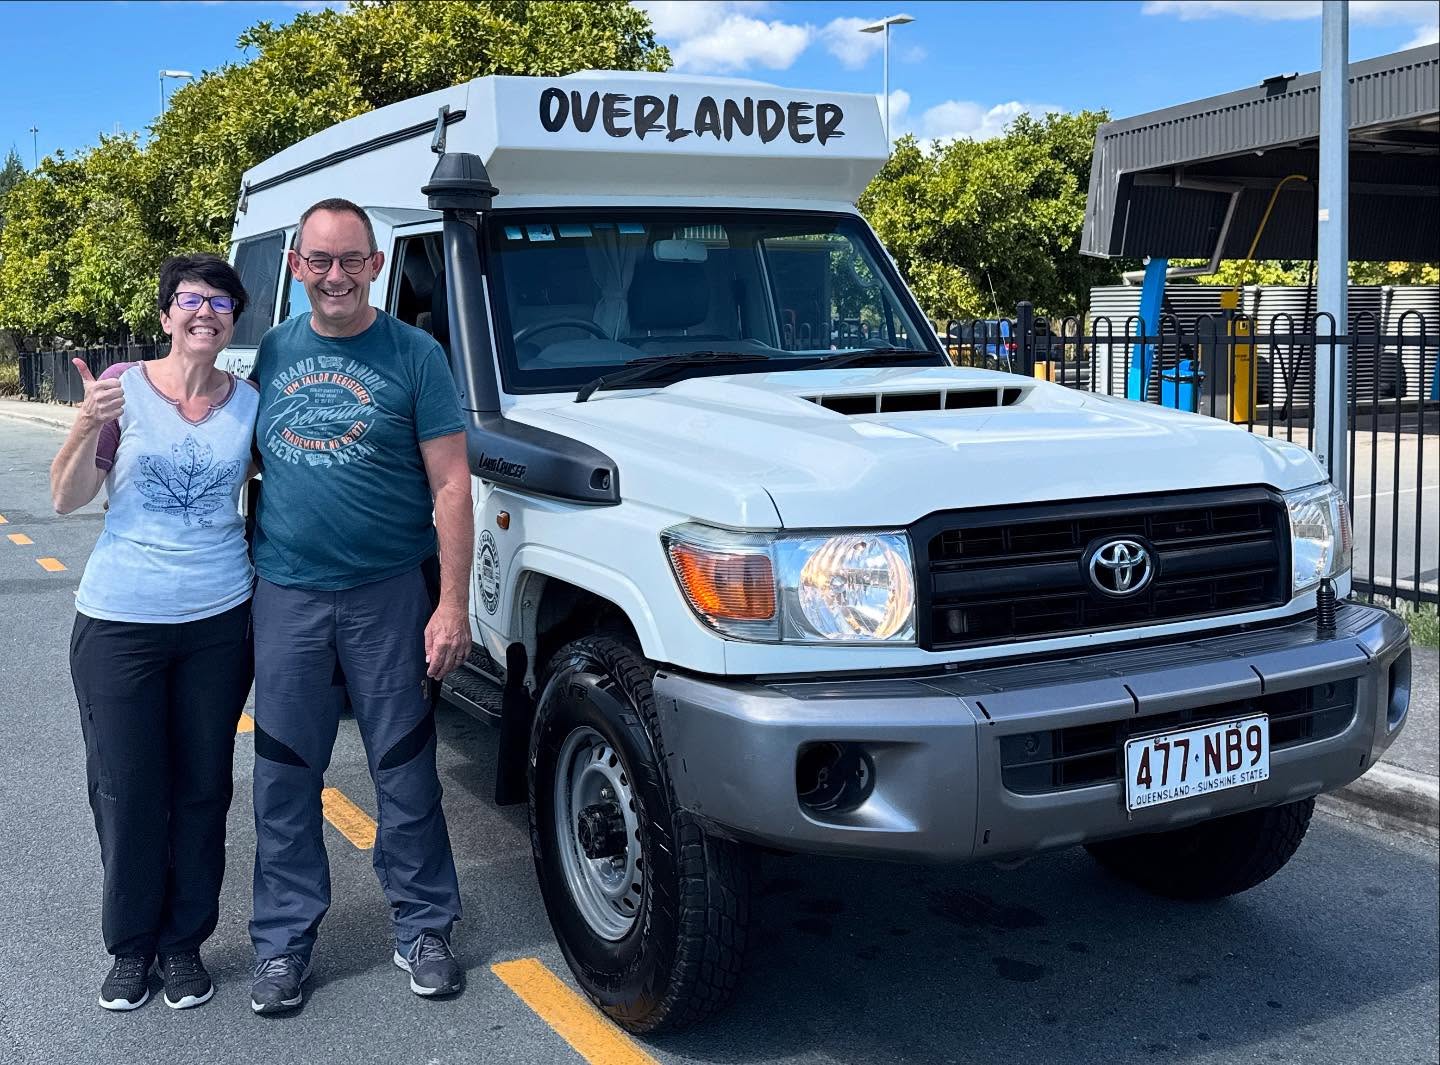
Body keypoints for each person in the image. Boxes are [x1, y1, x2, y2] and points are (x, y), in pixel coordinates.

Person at [246, 197, 473, 1014]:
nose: (334, 275)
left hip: (387, 596)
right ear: (298, 267)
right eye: (319, 260)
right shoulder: (272, 351)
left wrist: (451, 604)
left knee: (405, 767)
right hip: (289, 595)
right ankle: (281, 944)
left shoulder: (417, 355)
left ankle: (424, 928)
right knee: (282, 775)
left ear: (375, 265)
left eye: (350, 260)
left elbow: (452, 484)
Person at [51, 254, 258, 1012]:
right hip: (119, 622)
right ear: (167, 314)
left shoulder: (251, 404)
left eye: (220, 301)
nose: (205, 311)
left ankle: (183, 944)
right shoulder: (120, 391)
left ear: (234, 317)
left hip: (217, 621)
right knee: (128, 788)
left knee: (203, 787)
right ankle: (131, 945)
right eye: (190, 299)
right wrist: (83, 424)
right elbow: (68, 497)